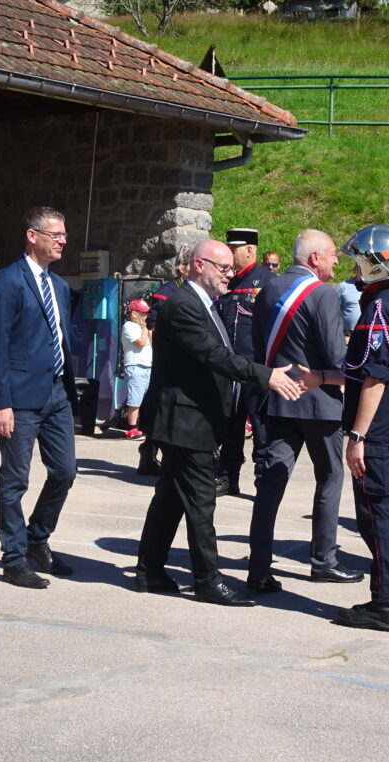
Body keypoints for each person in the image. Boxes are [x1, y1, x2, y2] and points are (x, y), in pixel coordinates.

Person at [135, 240, 304, 606]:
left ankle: (149, 570)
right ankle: (208, 581)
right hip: (185, 420)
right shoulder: (183, 305)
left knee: (170, 499)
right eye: (223, 268)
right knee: (200, 501)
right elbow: (213, 355)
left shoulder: (205, 302)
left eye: (231, 268)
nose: (230, 274)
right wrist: (266, 376)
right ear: (199, 265)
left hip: (189, 418)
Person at [247, 229, 363, 593]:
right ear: (314, 258)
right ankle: (324, 561)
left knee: (270, 484)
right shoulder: (322, 293)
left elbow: (257, 346)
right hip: (319, 402)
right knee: (330, 477)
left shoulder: (268, 288)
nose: (337, 260)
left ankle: (258, 568)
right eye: (332, 254)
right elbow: (336, 356)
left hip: (278, 399)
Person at [335, 225, 389, 632]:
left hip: (380, 432)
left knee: (378, 516)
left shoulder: (382, 308)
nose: (354, 268)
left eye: (358, 261)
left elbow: (376, 377)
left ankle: (386, 602)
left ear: (374, 265)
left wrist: (358, 436)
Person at [0, 207, 78, 589]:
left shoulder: (58, 286)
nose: (63, 241)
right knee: (15, 480)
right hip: (20, 398)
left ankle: (36, 538)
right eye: (56, 235)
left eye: (64, 235)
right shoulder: (8, 282)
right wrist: (0, 402)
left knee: (65, 471)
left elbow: (62, 337)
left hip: (57, 392)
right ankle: (13, 558)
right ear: (32, 236)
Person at [215, 227, 276, 496]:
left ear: (250, 250)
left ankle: (264, 481)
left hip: (256, 369)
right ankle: (228, 477)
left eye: (234, 250)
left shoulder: (268, 282)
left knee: (261, 428)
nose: (229, 254)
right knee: (230, 426)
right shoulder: (227, 281)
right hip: (230, 369)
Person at [137, 250, 191, 477]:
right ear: (181, 268)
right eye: (191, 265)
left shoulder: (192, 290)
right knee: (161, 409)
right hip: (167, 360)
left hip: (186, 360)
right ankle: (149, 452)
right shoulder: (167, 292)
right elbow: (153, 326)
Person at [121, 298, 152, 440]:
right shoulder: (129, 326)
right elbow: (140, 342)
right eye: (143, 313)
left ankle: (143, 426)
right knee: (135, 398)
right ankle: (132, 428)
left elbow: (151, 343)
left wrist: (149, 329)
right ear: (134, 314)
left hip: (147, 365)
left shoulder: (142, 328)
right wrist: (145, 328)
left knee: (145, 398)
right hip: (135, 365)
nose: (145, 316)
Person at [335, 263, 362, 340]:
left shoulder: (374, 286)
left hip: (368, 333)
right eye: (360, 267)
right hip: (347, 335)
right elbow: (333, 312)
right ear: (355, 269)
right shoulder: (343, 286)